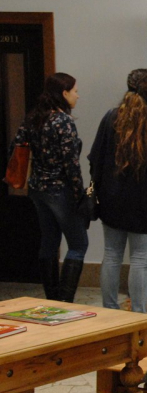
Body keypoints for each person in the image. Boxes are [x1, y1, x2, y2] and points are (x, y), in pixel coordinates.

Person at [88, 69, 147, 313]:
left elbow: (95, 158)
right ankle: (138, 314)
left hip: (111, 199)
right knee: (140, 261)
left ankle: (109, 311)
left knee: (111, 255)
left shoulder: (111, 117)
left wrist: (100, 188)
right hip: (144, 203)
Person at [11, 73, 88, 302]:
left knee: (49, 242)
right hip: (60, 189)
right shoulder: (63, 121)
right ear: (64, 93)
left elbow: (17, 144)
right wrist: (80, 194)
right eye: (75, 91)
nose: (77, 96)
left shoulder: (34, 117)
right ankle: (65, 301)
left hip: (37, 188)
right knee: (78, 244)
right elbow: (71, 164)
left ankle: (52, 299)